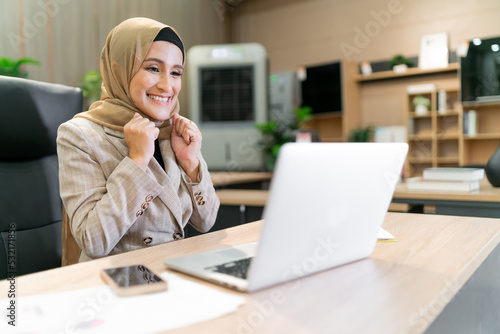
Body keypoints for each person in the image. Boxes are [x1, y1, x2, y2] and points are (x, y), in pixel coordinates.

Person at [57, 17, 220, 262]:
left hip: (174, 274)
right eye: (153, 68)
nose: (167, 86)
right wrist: (137, 161)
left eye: (176, 73)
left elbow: (206, 222)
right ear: (118, 69)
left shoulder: (173, 130)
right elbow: (93, 241)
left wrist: (191, 162)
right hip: (114, 286)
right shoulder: (80, 134)